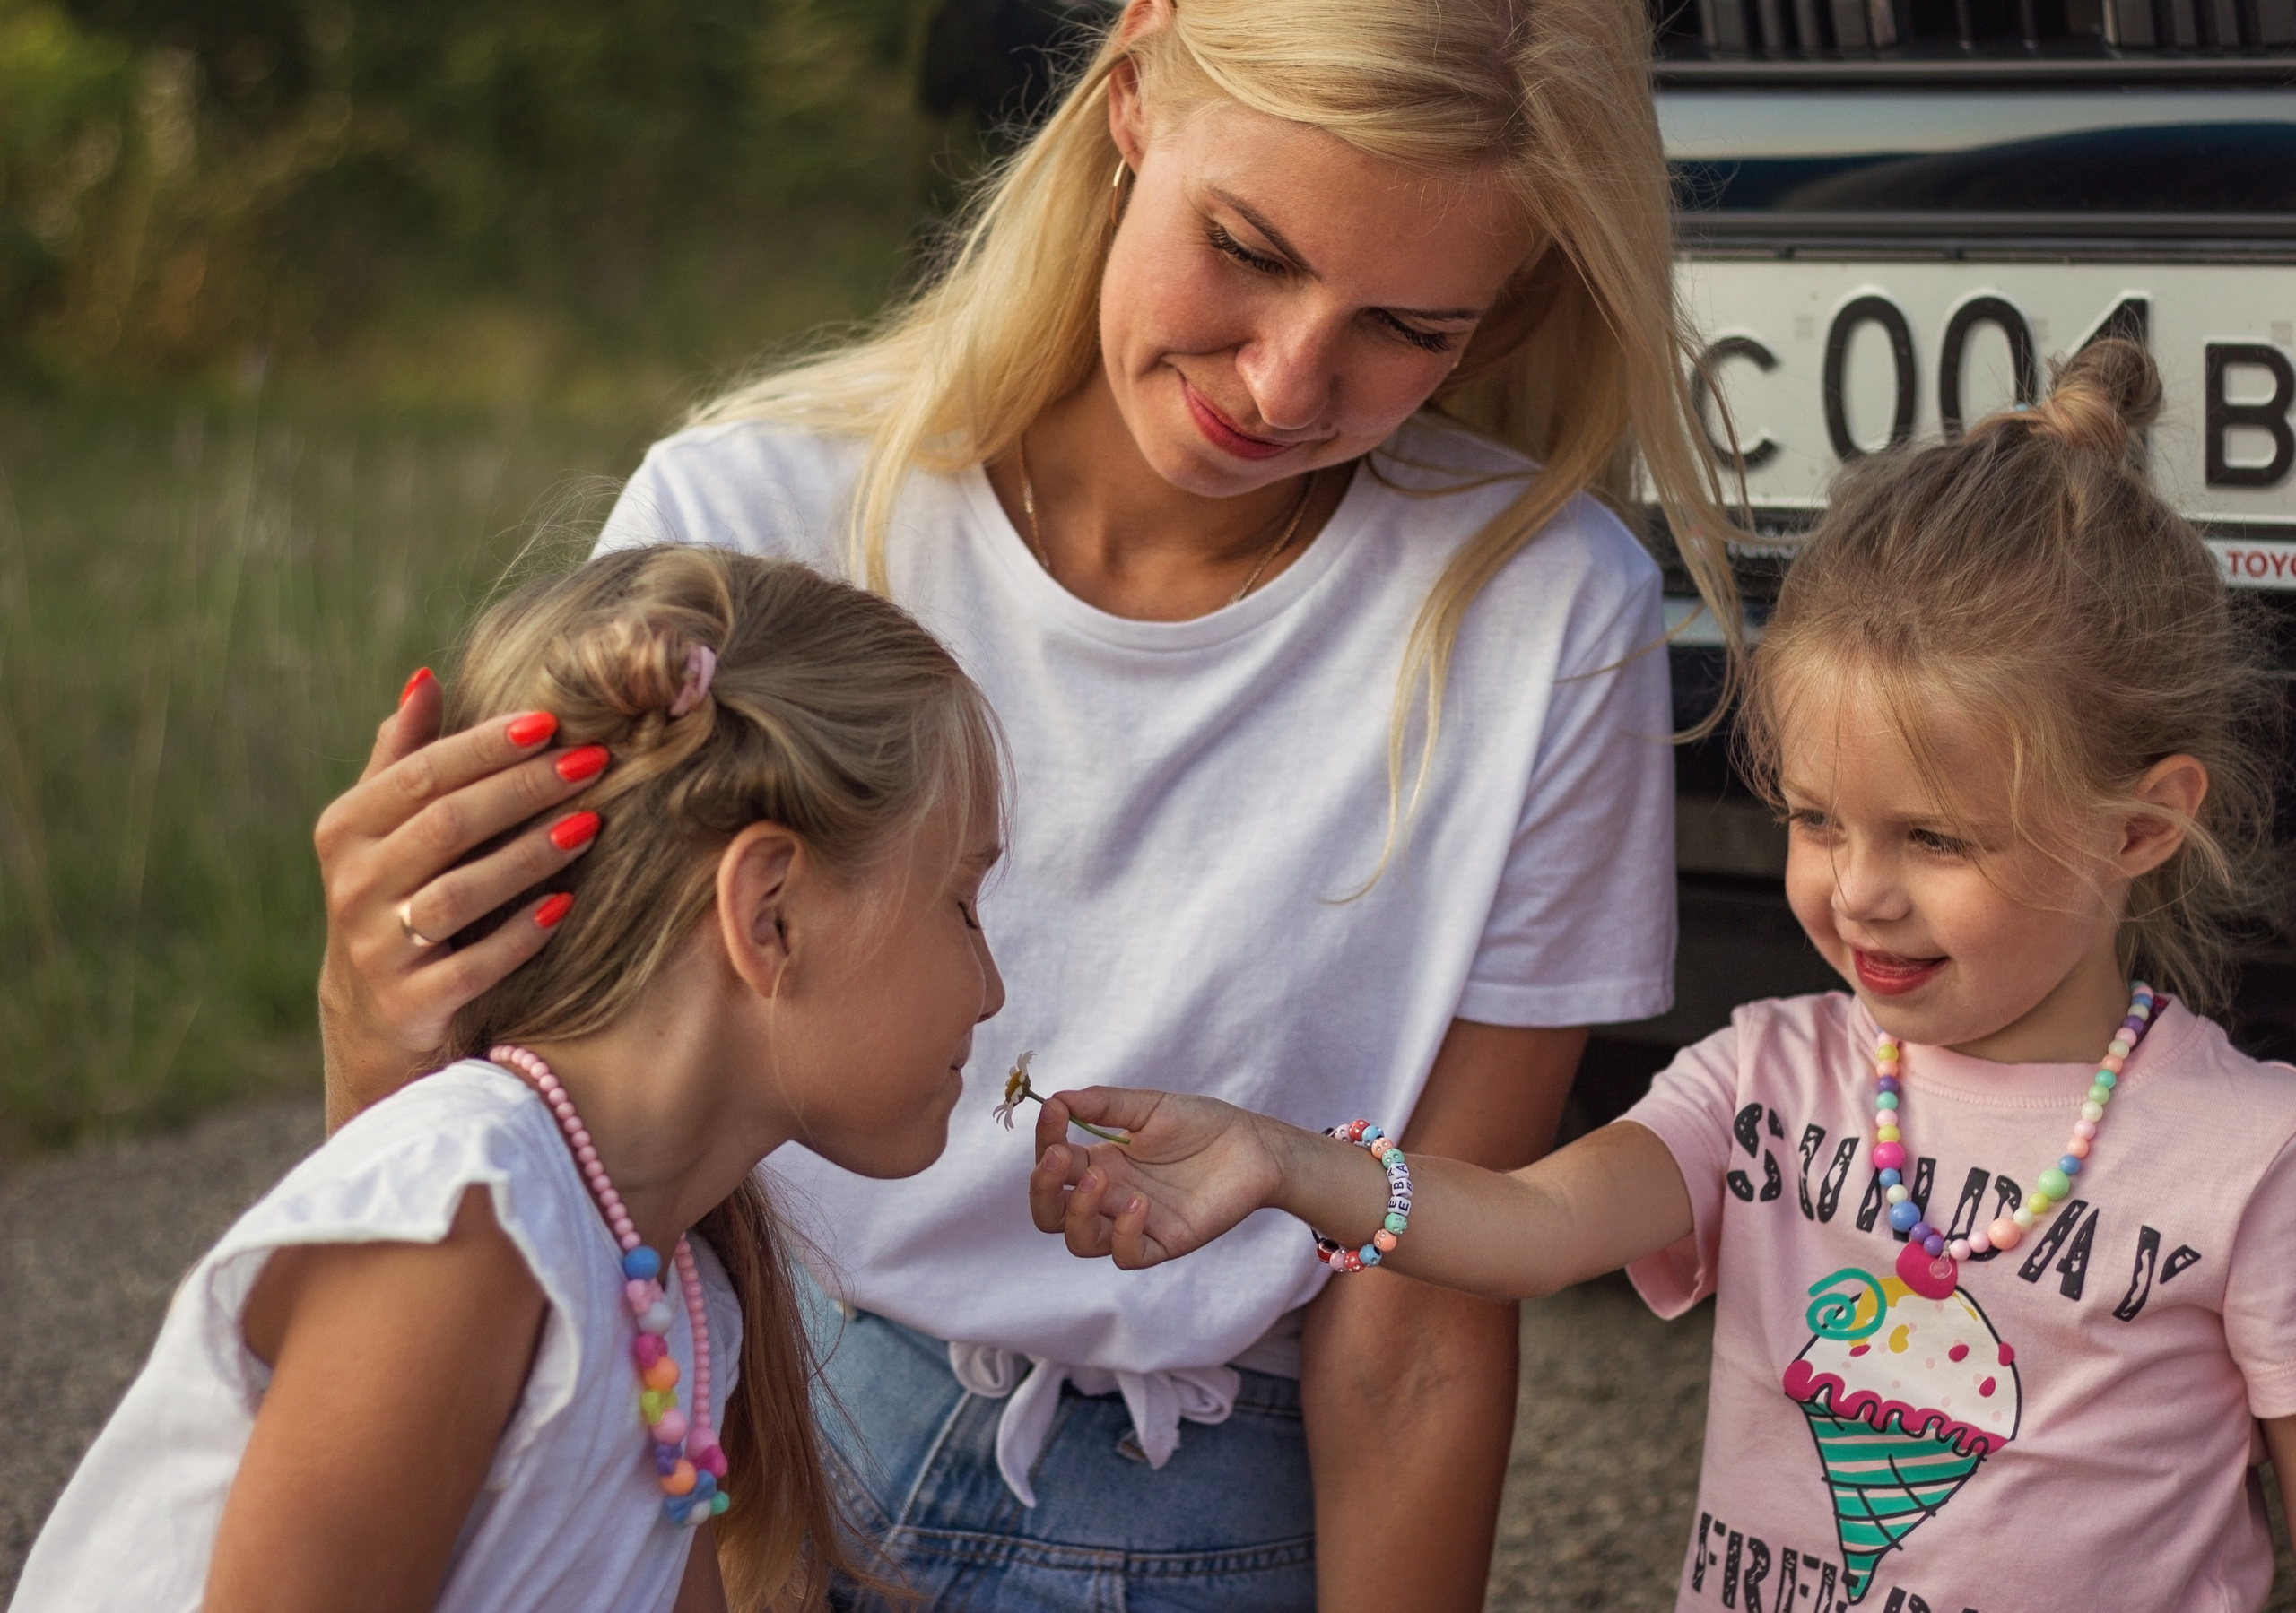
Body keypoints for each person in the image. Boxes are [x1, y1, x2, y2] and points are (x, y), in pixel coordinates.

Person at [310, 0, 1752, 1605]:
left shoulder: (1543, 613)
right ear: (1131, 89)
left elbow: (1412, 1321)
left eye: (1406, 329)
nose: (1286, 381)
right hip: (735, 1445)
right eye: (1247, 248)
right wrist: (377, 1023)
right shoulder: (749, 520)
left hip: (1209, 1504)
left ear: (1504, 312)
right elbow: (536, 1171)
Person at [1030, 343, 2296, 1610]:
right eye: (1815, 819)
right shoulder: (1767, 1073)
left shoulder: (2251, 1160)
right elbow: (1536, 1226)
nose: (1859, 888)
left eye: (1937, 837)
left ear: (2139, 827)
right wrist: (1284, 1160)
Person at [15, 546, 1007, 1613]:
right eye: (960, 900)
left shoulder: (675, 1295)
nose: (991, 987)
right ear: (770, 912)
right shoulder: (469, 1224)